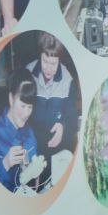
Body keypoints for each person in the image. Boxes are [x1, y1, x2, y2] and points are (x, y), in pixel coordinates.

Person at [27, 31, 79, 181]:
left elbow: (73, 118)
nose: (49, 68)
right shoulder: (28, 73)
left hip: (58, 149)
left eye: (53, 64)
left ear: (59, 60)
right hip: (33, 147)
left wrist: (63, 127)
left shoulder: (68, 80)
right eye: (45, 61)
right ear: (40, 55)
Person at [0, 69, 39, 191]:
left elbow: (35, 183)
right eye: (23, 106)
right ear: (11, 99)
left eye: (30, 107)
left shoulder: (29, 133)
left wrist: (34, 170)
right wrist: (5, 164)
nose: (26, 113)